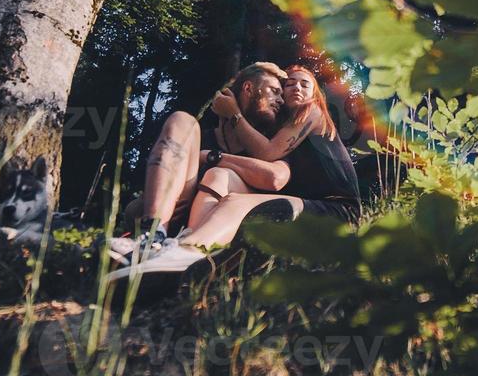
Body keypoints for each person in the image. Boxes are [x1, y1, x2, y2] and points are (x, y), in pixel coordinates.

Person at [110, 63, 360, 279]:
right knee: (218, 176)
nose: (294, 89)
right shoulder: (283, 132)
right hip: (304, 203)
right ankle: (176, 243)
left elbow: (271, 161)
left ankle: (189, 251)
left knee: (236, 201)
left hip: (338, 208)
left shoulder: (311, 112)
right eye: (288, 85)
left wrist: (225, 132)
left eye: (305, 84)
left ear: (316, 93)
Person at [113, 62, 293, 262]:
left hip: (224, 230)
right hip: (177, 218)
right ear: (248, 88)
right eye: (274, 91)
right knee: (182, 120)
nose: (280, 101)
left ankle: (187, 253)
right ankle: (153, 235)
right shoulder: (202, 137)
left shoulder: (270, 145)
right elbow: (134, 210)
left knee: (218, 175)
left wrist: (212, 156)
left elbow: (276, 177)